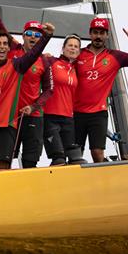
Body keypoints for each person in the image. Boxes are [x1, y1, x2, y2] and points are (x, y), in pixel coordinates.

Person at [0, 0, 53, 168]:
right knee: (5, 161)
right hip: (8, 118)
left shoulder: (45, 60)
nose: (33, 37)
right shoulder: (13, 49)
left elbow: (48, 90)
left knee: (29, 162)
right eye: (29, 33)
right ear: (23, 35)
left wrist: (35, 106)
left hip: (32, 115)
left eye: (38, 35)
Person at [75, 17, 128, 162]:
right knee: (75, 154)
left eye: (102, 33)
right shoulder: (78, 53)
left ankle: (101, 182)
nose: (98, 36)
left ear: (107, 35)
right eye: (95, 32)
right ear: (90, 33)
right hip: (75, 112)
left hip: (98, 113)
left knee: (97, 153)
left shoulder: (115, 56)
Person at [42, 35, 82, 165]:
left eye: (76, 46)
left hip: (68, 118)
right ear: (63, 48)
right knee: (59, 158)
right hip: (50, 116)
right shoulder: (52, 61)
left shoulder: (76, 69)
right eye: (70, 45)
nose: (73, 48)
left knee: (75, 159)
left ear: (79, 51)